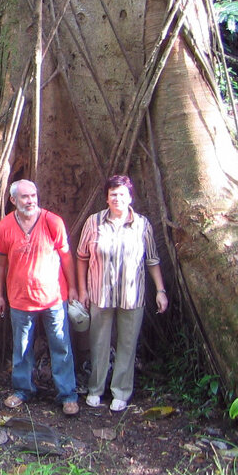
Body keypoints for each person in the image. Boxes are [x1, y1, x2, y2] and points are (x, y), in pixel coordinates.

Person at [75, 174, 168, 413]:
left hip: (132, 295)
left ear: (130, 197)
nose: (117, 198)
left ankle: (121, 392)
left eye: (122, 194)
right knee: (98, 344)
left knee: (127, 344)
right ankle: (95, 389)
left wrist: (160, 290)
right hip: (100, 294)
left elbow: (153, 259)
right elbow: (82, 257)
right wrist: (82, 290)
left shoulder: (142, 225)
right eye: (113, 194)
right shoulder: (93, 223)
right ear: (106, 198)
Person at [0, 179, 80, 416]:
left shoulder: (52, 222)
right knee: (21, 348)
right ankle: (23, 390)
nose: (30, 200)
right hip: (19, 300)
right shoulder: (4, 227)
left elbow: (67, 257)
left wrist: (73, 288)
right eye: (24, 197)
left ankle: (68, 394)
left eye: (33, 195)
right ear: (13, 200)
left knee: (61, 345)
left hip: (53, 298)